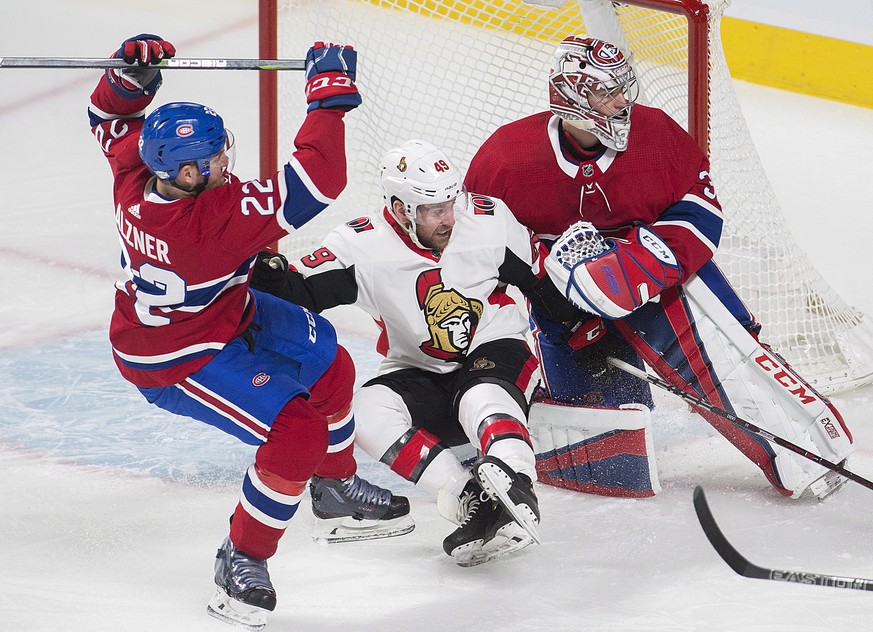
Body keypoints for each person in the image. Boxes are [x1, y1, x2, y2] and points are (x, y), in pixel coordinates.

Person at [88, 34, 412, 630]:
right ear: (186, 173)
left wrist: (128, 78)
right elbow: (320, 179)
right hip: (174, 358)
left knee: (331, 363)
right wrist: (327, 95)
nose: (225, 164)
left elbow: (108, 120)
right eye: (214, 159)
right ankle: (242, 557)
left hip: (221, 310)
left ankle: (334, 490)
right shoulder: (214, 222)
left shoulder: (136, 173)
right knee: (296, 433)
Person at [464, 35, 854, 501]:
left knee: (735, 359)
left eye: (622, 89)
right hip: (565, 302)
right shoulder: (508, 157)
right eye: (607, 93)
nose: (622, 102)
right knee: (615, 455)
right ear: (571, 95)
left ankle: (806, 452)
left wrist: (640, 267)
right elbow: (480, 238)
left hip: (659, 281)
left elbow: (702, 213)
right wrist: (546, 289)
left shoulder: (657, 135)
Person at [250, 139, 584, 566]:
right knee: (365, 411)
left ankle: (516, 480)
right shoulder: (362, 245)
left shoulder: (486, 220)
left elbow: (541, 280)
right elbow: (298, 290)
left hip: (494, 347)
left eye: (450, 202)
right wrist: (260, 271)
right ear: (400, 208)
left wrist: (583, 334)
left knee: (479, 394)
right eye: (433, 210)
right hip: (418, 368)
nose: (449, 217)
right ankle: (470, 499)